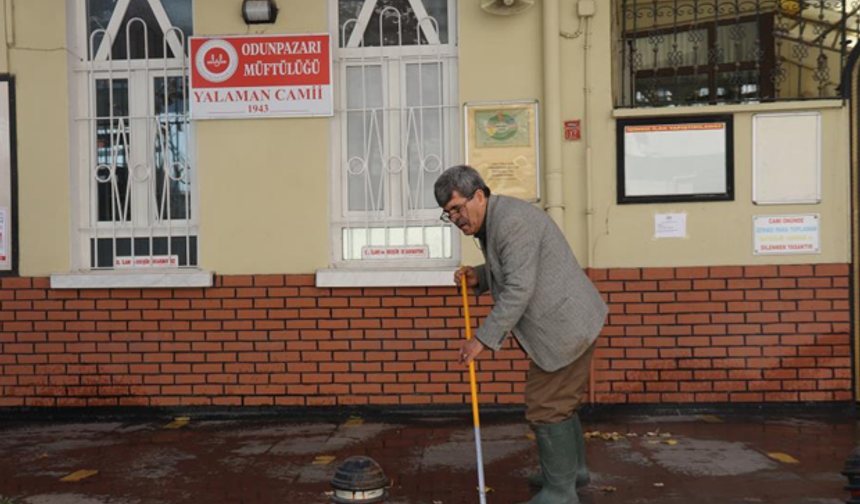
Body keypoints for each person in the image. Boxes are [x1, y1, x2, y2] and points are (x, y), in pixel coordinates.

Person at [434, 165, 608, 504]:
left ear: (479, 196)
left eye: (457, 208)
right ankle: (574, 474)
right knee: (561, 403)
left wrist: (480, 340)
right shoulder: (498, 219)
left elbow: (518, 288)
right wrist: (480, 278)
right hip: (566, 323)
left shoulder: (511, 222)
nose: (454, 218)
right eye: (447, 214)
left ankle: (560, 492)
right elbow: (514, 267)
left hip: (565, 326)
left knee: (547, 407)